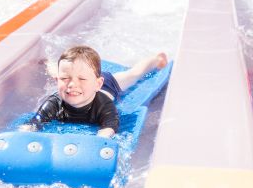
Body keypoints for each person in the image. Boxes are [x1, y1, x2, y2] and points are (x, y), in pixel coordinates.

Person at [24, 45, 168, 138]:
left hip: (109, 85)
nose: (72, 85)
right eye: (65, 79)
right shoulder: (54, 102)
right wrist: (25, 133)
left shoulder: (103, 105)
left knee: (134, 74)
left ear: (98, 83)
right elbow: (33, 123)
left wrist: (99, 140)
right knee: (60, 72)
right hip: (88, 81)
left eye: (81, 79)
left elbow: (108, 128)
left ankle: (156, 60)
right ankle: (49, 64)